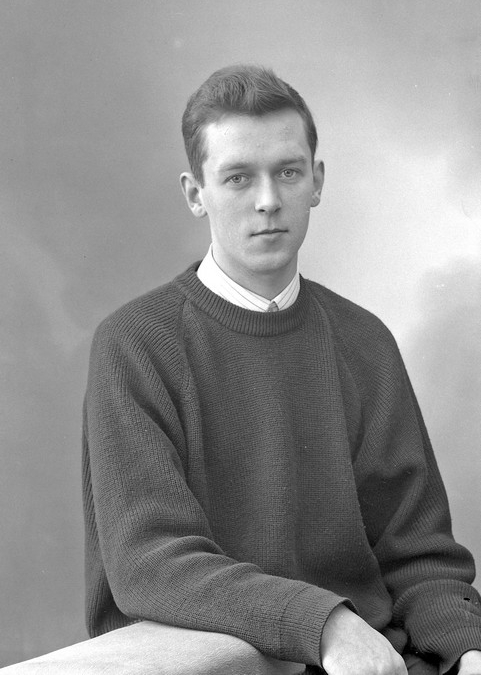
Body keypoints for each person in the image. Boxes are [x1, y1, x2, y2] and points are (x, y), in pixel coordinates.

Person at [82, 65, 481, 675]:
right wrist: (324, 624)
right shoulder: (135, 344)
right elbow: (151, 563)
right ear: (195, 193)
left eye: (288, 172)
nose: (268, 200)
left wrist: (466, 647)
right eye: (238, 177)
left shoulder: (365, 342)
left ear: (316, 181)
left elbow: (418, 557)